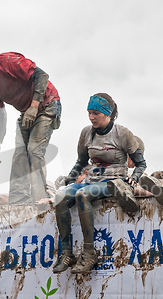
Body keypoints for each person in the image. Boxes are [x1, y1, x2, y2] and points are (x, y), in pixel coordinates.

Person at [52, 93, 146, 274]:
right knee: (60, 197)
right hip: (91, 179)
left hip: (114, 181)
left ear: (107, 113)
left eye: (95, 113)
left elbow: (141, 163)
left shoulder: (123, 133)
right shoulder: (86, 133)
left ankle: (89, 253)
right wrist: (69, 179)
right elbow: (80, 162)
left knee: (82, 195)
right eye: (89, 113)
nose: (91, 117)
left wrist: (135, 178)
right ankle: (66, 253)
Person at [0, 37, 62, 205]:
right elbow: (0, 114)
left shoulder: (8, 61)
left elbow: (42, 75)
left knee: (34, 150)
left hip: (47, 104)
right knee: (19, 157)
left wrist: (34, 105)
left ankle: (41, 200)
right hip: (26, 112)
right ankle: (18, 204)